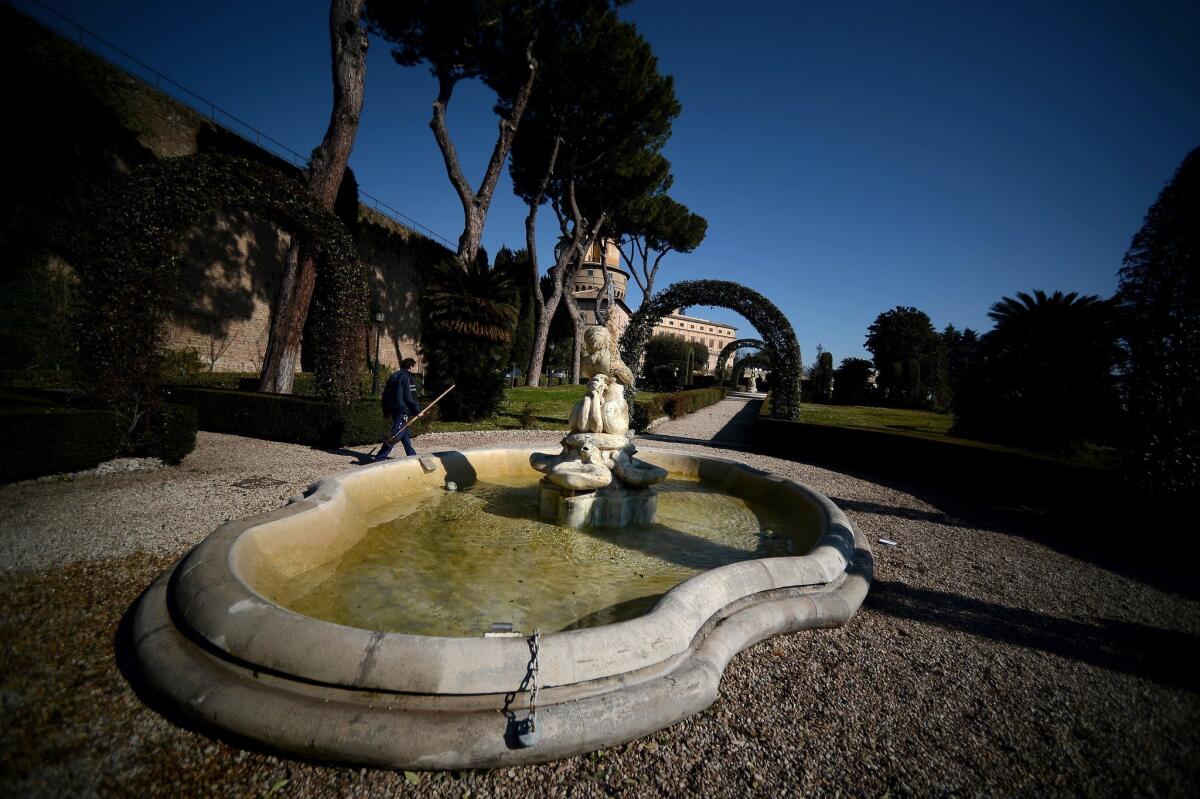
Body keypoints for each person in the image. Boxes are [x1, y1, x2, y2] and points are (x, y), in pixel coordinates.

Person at [375, 358, 420, 460]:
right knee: (395, 435)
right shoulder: (408, 378)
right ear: (410, 367)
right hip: (402, 410)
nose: (415, 368)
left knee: (404, 431)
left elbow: (385, 395)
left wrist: (386, 410)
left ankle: (411, 454)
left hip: (394, 409)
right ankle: (379, 458)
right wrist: (417, 411)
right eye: (415, 366)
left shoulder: (394, 376)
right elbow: (410, 398)